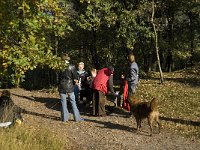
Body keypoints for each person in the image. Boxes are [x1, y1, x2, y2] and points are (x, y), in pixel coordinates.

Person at [58, 53, 84, 122]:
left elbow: (58, 77)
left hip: (61, 85)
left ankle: (64, 118)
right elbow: (75, 77)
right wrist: (75, 81)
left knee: (63, 102)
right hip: (69, 86)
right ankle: (77, 118)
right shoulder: (72, 66)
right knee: (73, 102)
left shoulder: (60, 66)